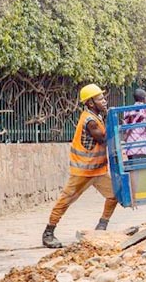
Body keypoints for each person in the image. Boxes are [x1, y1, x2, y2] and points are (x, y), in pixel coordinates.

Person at [42, 84, 118, 248]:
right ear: (90, 103)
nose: (104, 101)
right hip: (83, 171)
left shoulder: (95, 116)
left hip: (97, 170)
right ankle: (48, 233)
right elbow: (104, 139)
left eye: (103, 98)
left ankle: (102, 226)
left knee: (114, 195)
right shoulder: (90, 121)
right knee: (65, 201)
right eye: (100, 99)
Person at [122, 88, 146, 160]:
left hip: (129, 145)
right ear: (144, 99)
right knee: (140, 169)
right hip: (141, 145)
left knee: (132, 167)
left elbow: (125, 126)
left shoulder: (128, 110)